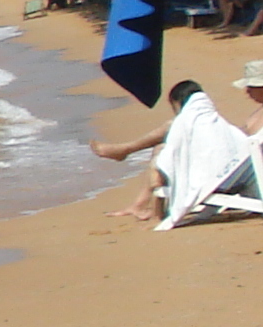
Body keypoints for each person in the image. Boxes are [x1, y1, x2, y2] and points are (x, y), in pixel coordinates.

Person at [95, 73, 263, 225]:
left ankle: (127, 155)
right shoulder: (256, 113)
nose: (246, 91)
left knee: (165, 147)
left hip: (232, 175)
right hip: (238, 170)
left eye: (251, 87)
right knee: (168, 141)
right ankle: (136, 188)